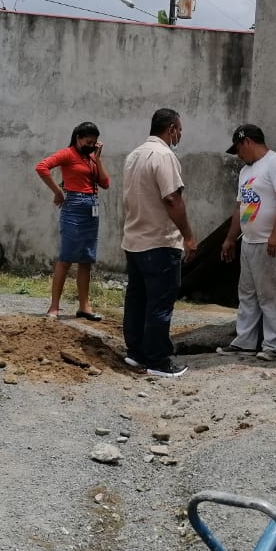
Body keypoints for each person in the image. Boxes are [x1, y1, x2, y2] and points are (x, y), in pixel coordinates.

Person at [120, 108, 196, 378]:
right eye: (180, 130)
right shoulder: (164, 156)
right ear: (172, 129)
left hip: (134, 240)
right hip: (159, 242)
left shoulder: (134, 156)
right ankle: (158, 361)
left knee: (137, 299)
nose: (180, 135)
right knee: (160, 303)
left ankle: (136, 352)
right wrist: (188, 235)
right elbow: (172, 199)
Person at [217, 124, 276, 361]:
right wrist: (230, 239)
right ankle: (245, 342)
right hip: (249, 241)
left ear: (247, 142)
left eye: (238, 149)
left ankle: (272, 346)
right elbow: (240, 207)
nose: (238, 155)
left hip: (270, 242)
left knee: (271, 295)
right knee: (247, 294)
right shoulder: (245, 172)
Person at [34, 121, 110, 320]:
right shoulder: (68, 154)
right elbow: (42, 167)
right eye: (88, 142)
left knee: (86, 258)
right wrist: (58, 191)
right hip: (74, 206)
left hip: (91, 207)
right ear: (78, 138)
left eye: (94, 143)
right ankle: (54, 306)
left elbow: (105, 183)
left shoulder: (91, 158)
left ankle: (84, 306)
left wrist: (97, 159)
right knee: (66, 257)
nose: (91, 146)